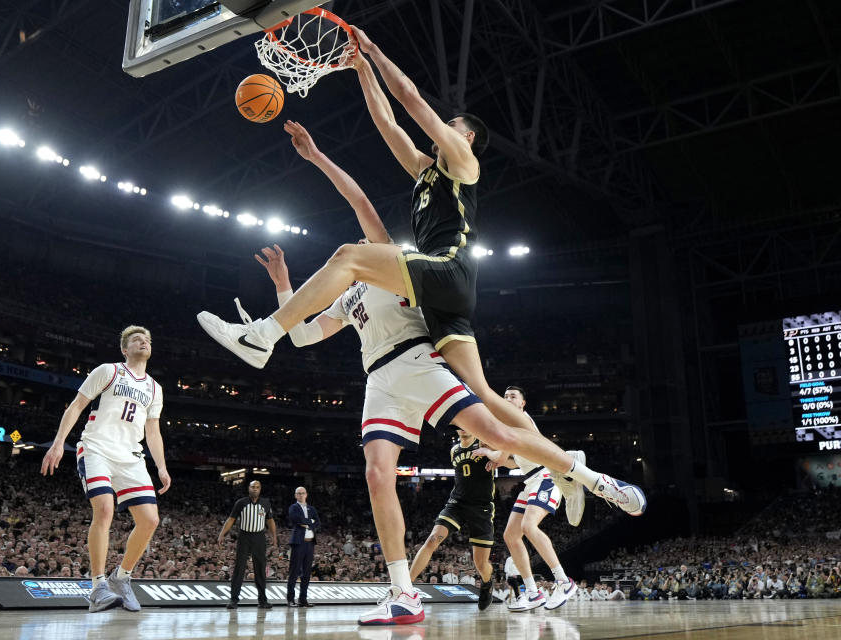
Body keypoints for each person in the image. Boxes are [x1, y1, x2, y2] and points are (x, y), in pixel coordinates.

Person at [196, 32, 638, 523]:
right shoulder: (425, 172)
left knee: (347, 255)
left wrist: (377, 51)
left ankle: (262, 335)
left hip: (448, 269)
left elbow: (408, 99)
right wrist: (360, 69)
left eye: (451, 124)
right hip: (440, 299)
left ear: (466, 137)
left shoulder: (463, 165)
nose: (442, 127)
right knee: (486, 395)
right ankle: (570, 469)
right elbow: (387, 121)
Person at [237, 122, 642, 625]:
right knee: (377, 475)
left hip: (416, 357)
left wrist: (317, 156)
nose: (360, 240)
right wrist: (284, 285)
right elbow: (302, 336)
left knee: (496, 430)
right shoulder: (345, 297)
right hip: (379, 380)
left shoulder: (391, 259)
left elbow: (359, 199)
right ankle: (403, 593)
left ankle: (589, 475)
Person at [41, 325, 170, 613]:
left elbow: (153, 431)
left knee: (150, 520)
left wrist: (161, 466)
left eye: (147, 340)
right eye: (137, 340)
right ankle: (97, 585)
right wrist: (59, 442)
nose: (143, 342)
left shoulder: (154, 387)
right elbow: (76, 406)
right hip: (97, 446)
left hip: (131, 456)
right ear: (125, 349)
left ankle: (122, 577)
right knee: (104, 509)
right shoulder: (108, 371)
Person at [477, 387, 577, 612]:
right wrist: (496, 457)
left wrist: (489, 453)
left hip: (546, 476)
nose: (507, 400)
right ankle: (532, 592)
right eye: (505, 397)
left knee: (529, 526)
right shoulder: (508, 427)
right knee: (511, 535)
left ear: (523, 404)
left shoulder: (521, 419)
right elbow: (511, 461)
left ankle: (564, 582)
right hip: (531, 480)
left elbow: (501, 455)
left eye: (513, 397)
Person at [409, 428, 495, 611]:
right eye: (460, 424)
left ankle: (487, 582)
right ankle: (405, 588)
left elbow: (507, 458)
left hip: (481, 507)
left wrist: (494, 456)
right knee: (432, 540)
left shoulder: (484, 443)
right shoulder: (454, 449)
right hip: (456, 503)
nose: (464, 427)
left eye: (467, 424)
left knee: (480, 563)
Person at [218, 480, 277, 610]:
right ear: (248, 488)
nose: (255, 489)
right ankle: (234, 600)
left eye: (257, 487)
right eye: (252, 487)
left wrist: (274, 537)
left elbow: (270, 521)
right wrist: (222, 534)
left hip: (259, 537)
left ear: (260, 489)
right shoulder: (241, 503)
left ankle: (263, 600)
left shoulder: (265, 503)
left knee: (260, 569)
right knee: (239, 568)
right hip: (244, 536)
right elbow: (231, 519)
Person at [287, 486, 319, 607]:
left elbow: (318, 522)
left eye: (303, 493)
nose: (301, 495)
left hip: (310, 543)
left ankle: (303, 599)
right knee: (294, 572)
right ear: (295, 495)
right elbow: (296, 519)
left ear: (306, 494)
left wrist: (306, 523)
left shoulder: (311, 508)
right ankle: (290, 599)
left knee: (306, 572)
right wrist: (311, 522)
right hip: (298, 542)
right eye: (298, 493)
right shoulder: (293, 507)